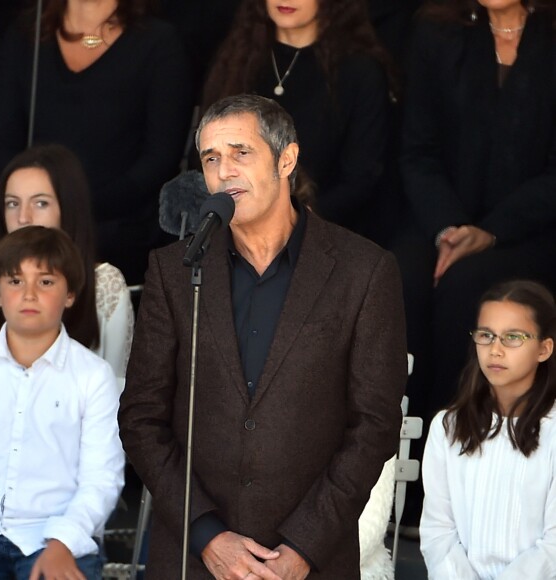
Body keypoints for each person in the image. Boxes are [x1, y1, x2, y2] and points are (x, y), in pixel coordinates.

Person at [118, 94, 408, 579]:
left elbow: (374, 426)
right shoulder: (174, 270)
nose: (224, 171)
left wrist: (303, 548)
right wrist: (206, 536)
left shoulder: (364, 271)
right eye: (211, 159)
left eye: (241, 153)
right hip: (193, 560)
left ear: (287, 159)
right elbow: (141, 417)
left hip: (309, 563)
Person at [398, 0, 556, 423]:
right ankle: (390, 455)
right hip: (443, 220)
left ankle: (452, 440)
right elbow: (417, 151)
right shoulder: (436, 31)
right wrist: (450, 228)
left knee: (464, 287)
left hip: (531, 231)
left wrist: (491, 232)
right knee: (400, 276)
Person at [0, 0, 192, 285]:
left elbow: (159, 159)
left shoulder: (159, 42)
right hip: (27, 222)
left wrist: (72, 207)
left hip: (115, 229)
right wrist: (36, 203)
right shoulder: (25, 36)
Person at [0, 225, 125, 580]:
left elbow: (101, 478)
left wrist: (62, 542)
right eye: (14, 281)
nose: (28, 294)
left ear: (70, 293)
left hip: (53, 536)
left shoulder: (92, 375)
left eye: (45, 282)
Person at [201, 0, 403, 246]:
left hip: (324, 235)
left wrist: (292, 222)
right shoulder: (238, 57)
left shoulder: (359, 71)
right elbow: (205, 154)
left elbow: (361, 178)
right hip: (232, 230)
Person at [420, 279, 556, 578]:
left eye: (513, 337)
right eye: (486, 335)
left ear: (544, 349)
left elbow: (552, 547)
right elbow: (438, 531)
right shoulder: (447, 427)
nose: (495, 350)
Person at [0, 144, 134, 378]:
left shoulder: (106, 284)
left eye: (40, 203)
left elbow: (118, 383)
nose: (23, 217)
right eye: (12, 203)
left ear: (68, 209)